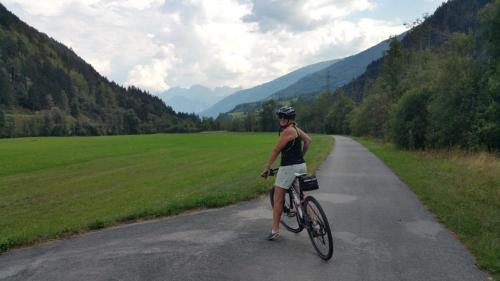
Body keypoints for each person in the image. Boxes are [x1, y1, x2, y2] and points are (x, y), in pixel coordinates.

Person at [261, 106, 312, 241]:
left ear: (290, 119)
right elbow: (308, 141)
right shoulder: (296, 129)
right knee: (302, 196)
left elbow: (276, 150)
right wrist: (301, 156)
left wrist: (267, 167)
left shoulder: (287, 131)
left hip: (288, 168)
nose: (282, 119)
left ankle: (275, 231)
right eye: (280, 117)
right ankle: (315, 224)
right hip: (301, 166)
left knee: (278, 199)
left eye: (285, 117)